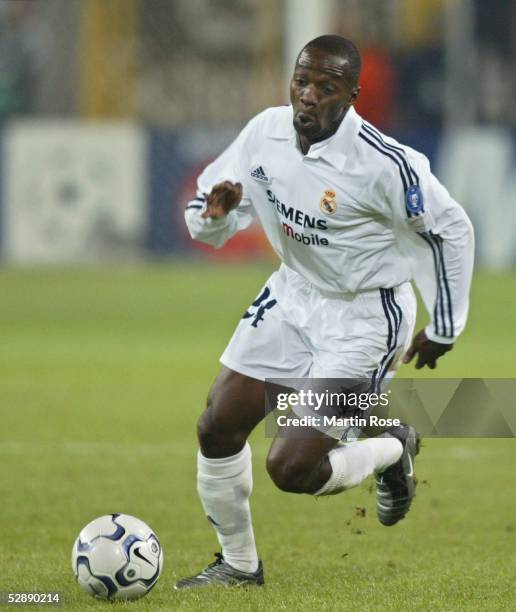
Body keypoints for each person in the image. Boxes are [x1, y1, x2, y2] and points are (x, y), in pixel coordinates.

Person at [176, 35, 474, 589]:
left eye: (325, 87)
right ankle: (239, 566)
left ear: (352, 96)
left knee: (291, 469)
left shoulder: (387, 166)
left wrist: (446, 326)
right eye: (301, 81)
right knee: (216, 426)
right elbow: (210, 210)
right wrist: (214, 216)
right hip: (293, 295)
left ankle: (391, 446)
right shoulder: (264, 132)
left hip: (364, 316)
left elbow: (451, 230)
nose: (307, 96)